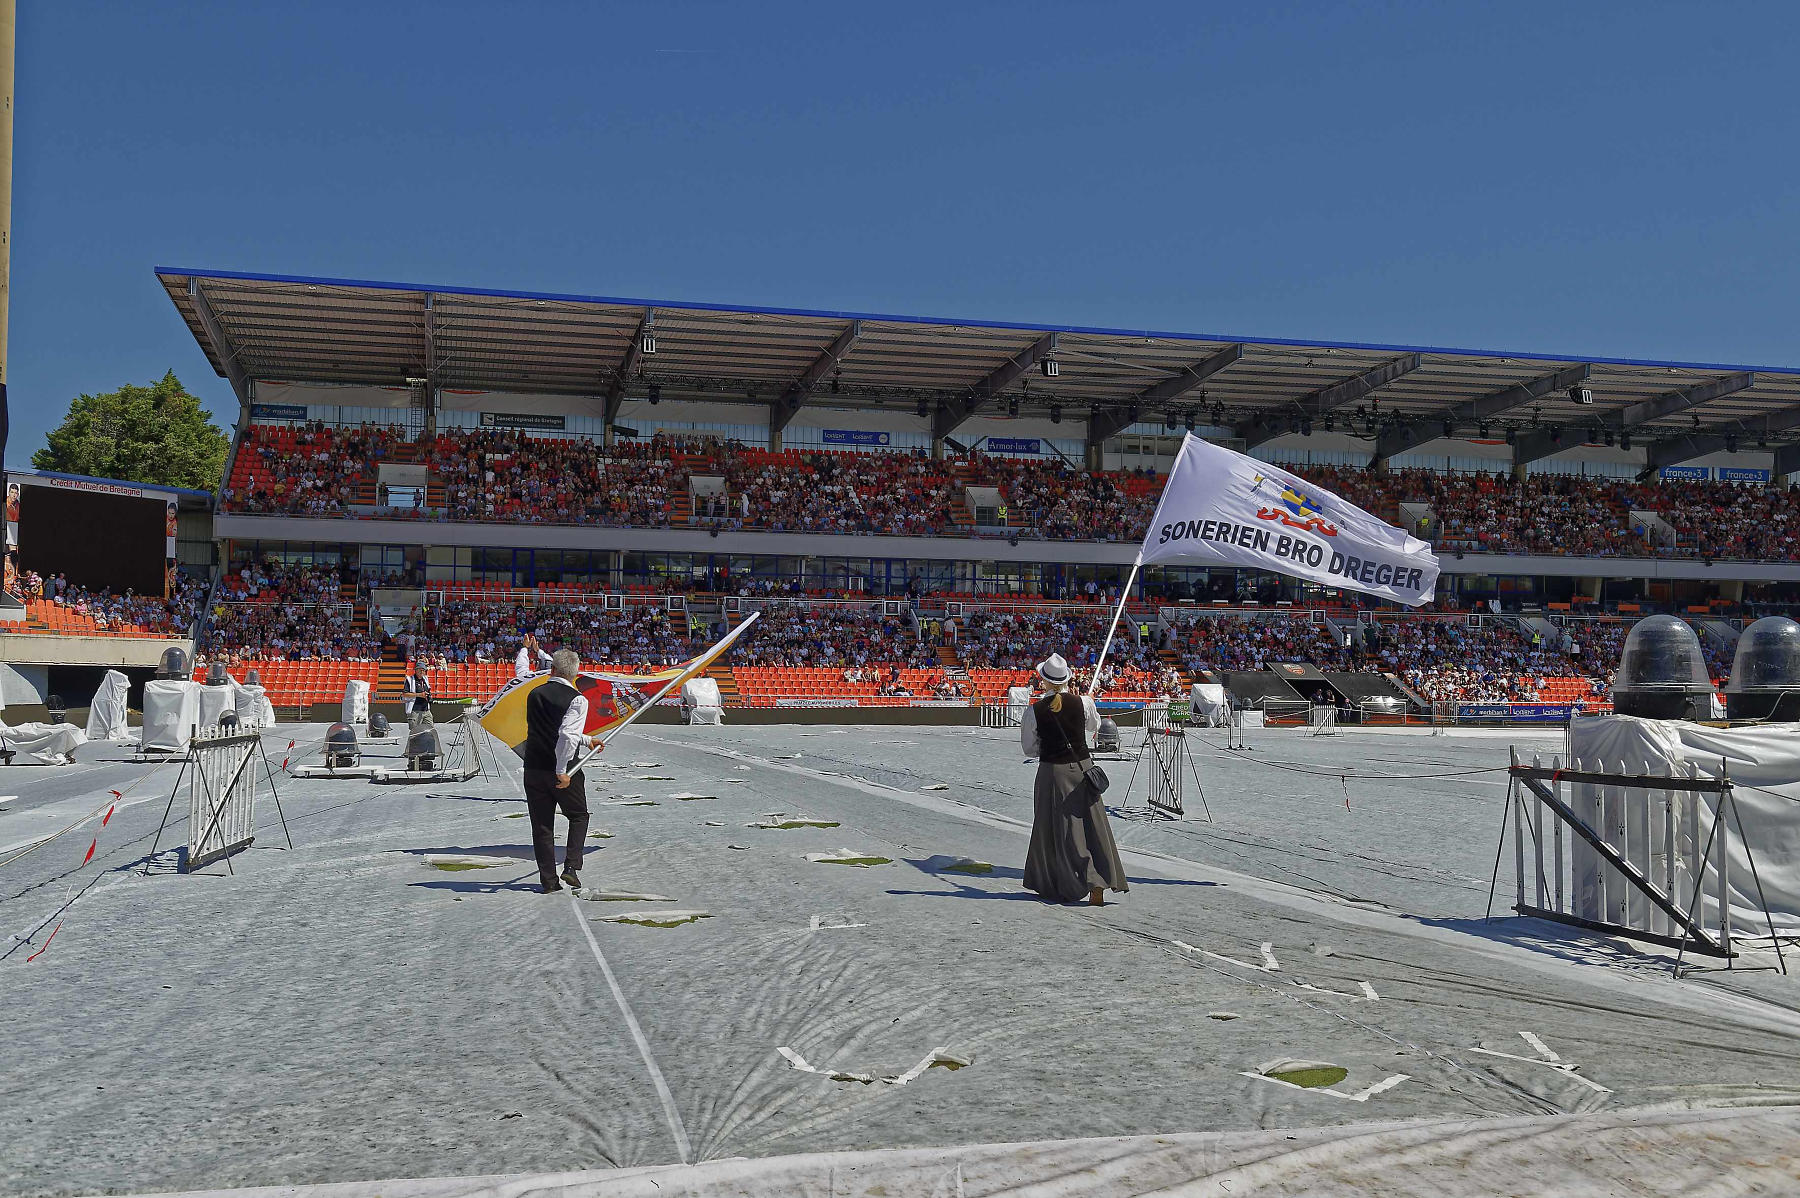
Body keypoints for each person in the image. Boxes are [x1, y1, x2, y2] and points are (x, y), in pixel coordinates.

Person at [1020, 653, 1129, 906]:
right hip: (1082, 769)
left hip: (1052, 772)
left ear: (1044, 680)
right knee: (1090, 827)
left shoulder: (1035, 711)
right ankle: (1096, 880)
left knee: (1054, 829)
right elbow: (1093, 727)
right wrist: (1084, 705)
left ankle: (1062, 882)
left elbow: (1029, 749)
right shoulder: (1084, 703)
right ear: (1067, 679)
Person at [522, 649, 599, 893]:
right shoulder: (577, 699)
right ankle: (571, 866)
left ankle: (549, 882)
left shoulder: (534, 693)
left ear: (552, 669)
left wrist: (586, 740)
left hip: (534, 767)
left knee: (542, 826)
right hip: (562, 770)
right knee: (579, 816)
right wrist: (561, 770)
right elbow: (566, 734)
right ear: (575, 674)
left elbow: (553, 729)